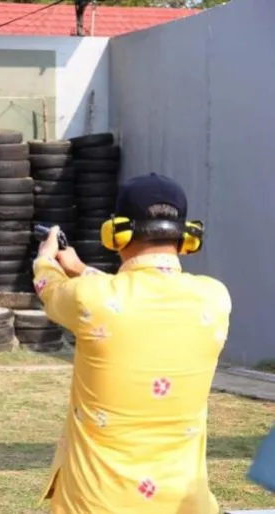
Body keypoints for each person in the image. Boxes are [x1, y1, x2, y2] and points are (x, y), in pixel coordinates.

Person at [33, 173, 232, 514]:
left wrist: (46, 258)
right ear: (188, 237)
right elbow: (137, 293)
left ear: (116, 233)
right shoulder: (214, 298)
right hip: (186, 506)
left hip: (95, 505)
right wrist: (80, 267)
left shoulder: (91, 298)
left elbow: (48, 287)